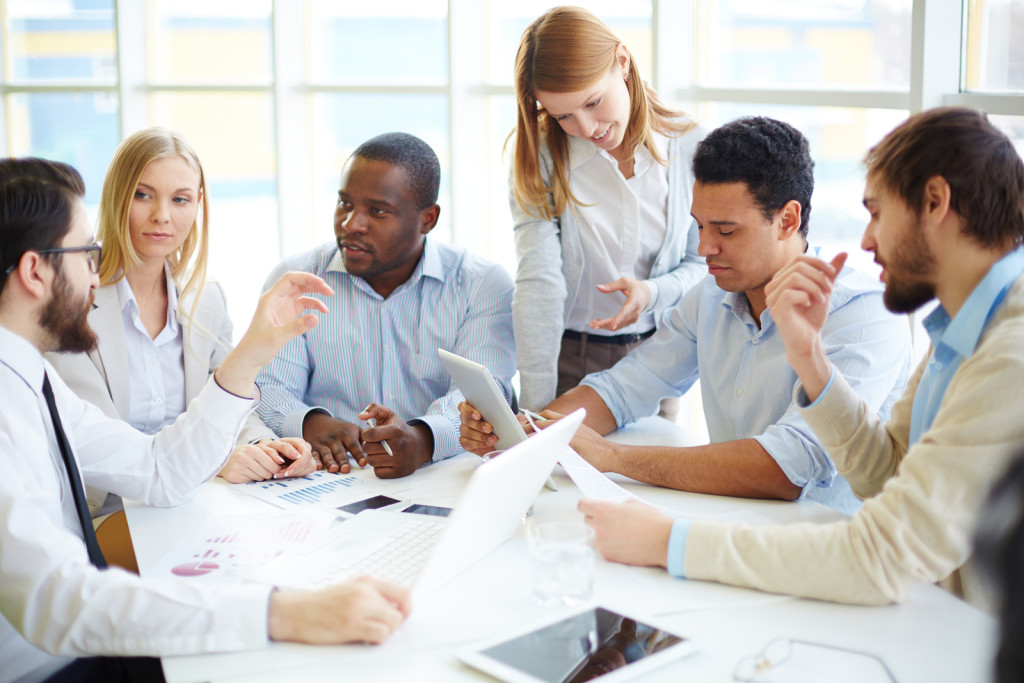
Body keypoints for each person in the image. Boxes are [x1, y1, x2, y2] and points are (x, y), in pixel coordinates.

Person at [578, 107, 1024, 609]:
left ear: (936, 202)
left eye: (877, 213)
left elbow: (879, 555)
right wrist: (810, 359)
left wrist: (667, 542)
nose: (866, 240)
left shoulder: (1010, 352)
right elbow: (888, 472)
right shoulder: (964, 327)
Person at [0, 159, 409, 683]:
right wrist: (281, 612)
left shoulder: (29, 375)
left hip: (83, 647)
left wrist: (253, 352)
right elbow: (57, 603)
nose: (95, 273)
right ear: (36, 271)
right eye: (87, 254)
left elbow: (158, 470)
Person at [463, 117, 911, 514]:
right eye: (699, 225)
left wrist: (611, 458)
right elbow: (621, 389)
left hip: (830, 562)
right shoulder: (710, 297)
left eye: (726, 230)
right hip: (732, 533)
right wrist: (528, 435)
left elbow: (785, 470)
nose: (704, 249)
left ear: (788, 220)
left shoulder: (864, 315)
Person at [47, 128, 314, 519]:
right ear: (116, 196)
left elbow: (229, 400)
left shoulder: (207, 301)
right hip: (108, 513)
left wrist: (266, 447)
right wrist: (214, 459)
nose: (162, 216)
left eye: (180, 199)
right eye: (143, 194)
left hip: (193, 503)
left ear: (198, 204)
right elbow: (108, 446)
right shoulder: (69, 300)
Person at [256, 132, 515, 479]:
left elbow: (487, 395)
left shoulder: (482, 285)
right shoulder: (296, 279)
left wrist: (423, 439)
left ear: (428, 219)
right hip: (326, 478)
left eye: (377, 211)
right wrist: (310, 423)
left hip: (444, 477)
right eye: (345, 204)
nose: (351, 225)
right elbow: (267, 386)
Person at [510, 6, 705, 414]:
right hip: (572, 360)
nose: (585, 127)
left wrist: (651, 293)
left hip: (661, 359)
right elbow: (539, 282)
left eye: (593, 102)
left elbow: (702, 264)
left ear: (622, 61)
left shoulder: (690, 145)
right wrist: (533, 410)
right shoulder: (543, 155)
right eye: (564, 115)